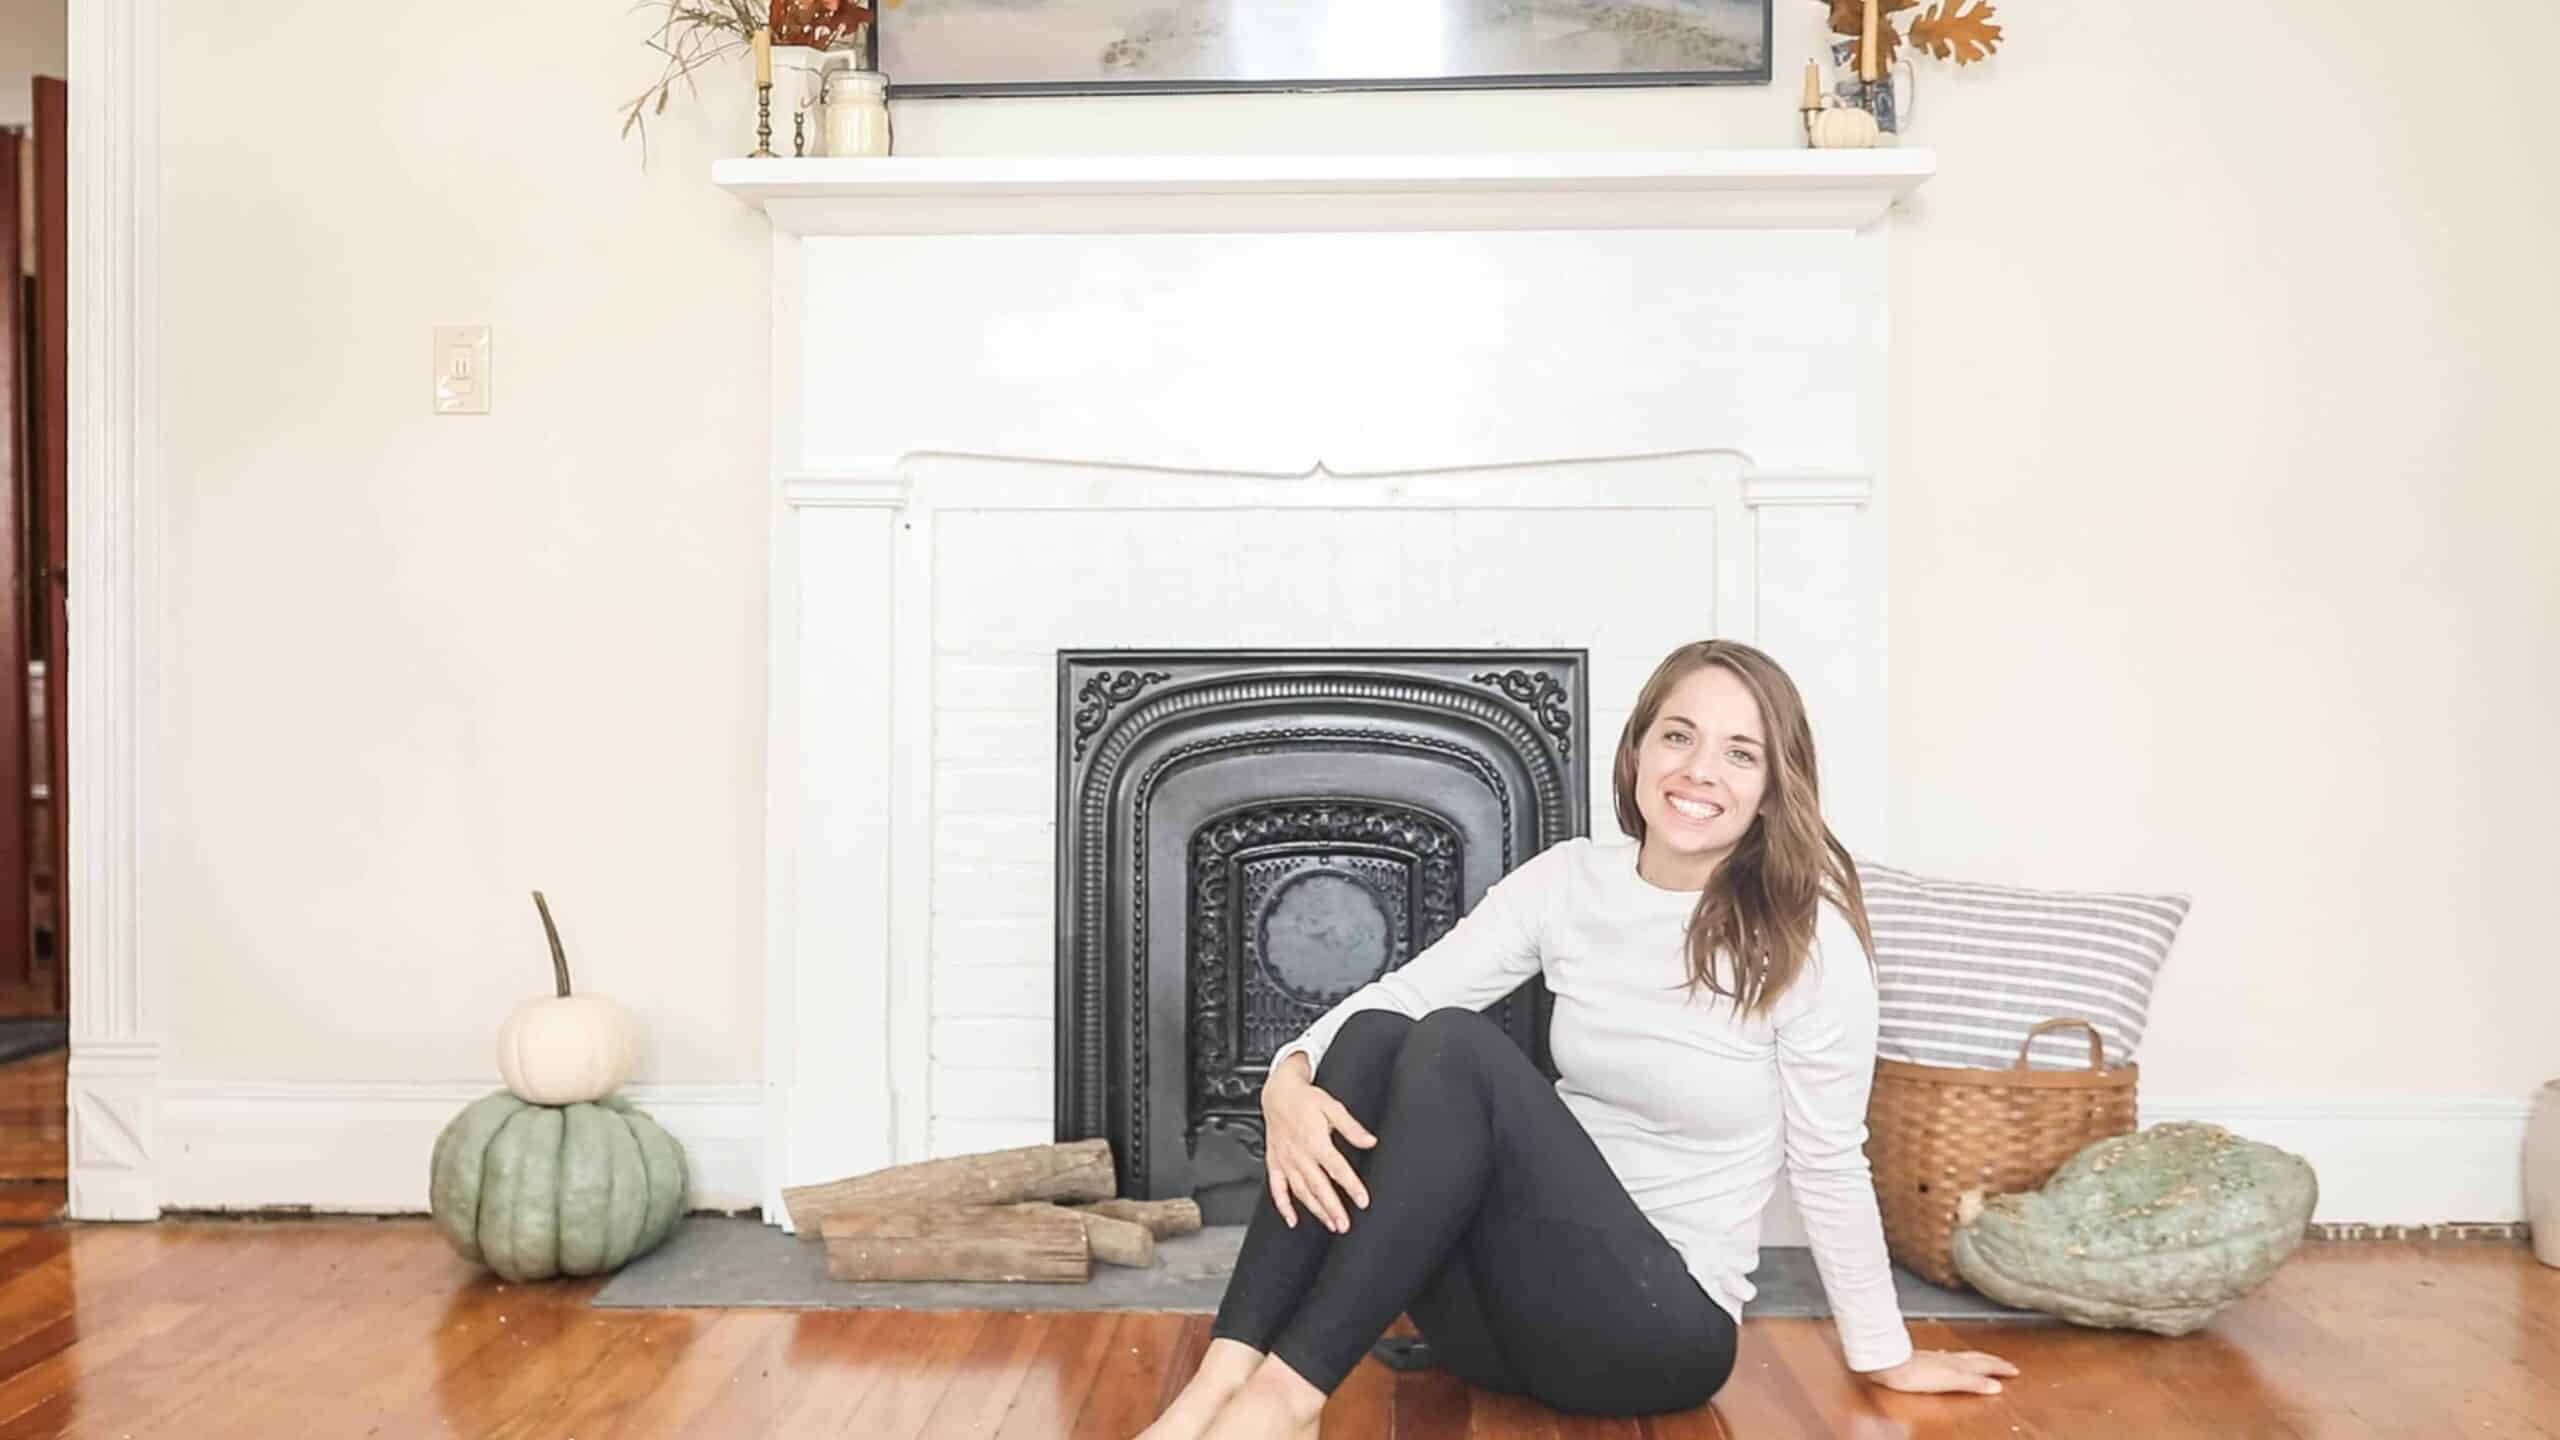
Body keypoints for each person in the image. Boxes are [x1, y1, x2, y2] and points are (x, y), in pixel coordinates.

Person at [1139, 640, 2019, 1440]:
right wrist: (1286, 1077)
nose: (1699, 771)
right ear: (1636, 749)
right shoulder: (1571, 882)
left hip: (1653, 1332)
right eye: (1679, 736)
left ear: (1772, 788)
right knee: (1375, 1034)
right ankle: (1221, 1384)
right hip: (1498, 1327)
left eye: (1739, 753)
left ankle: (1282, 1404)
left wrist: (1883, 1352)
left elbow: (1830, 1159)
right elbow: (1402, 996)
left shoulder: (1806, 941)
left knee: (1456, 1047)